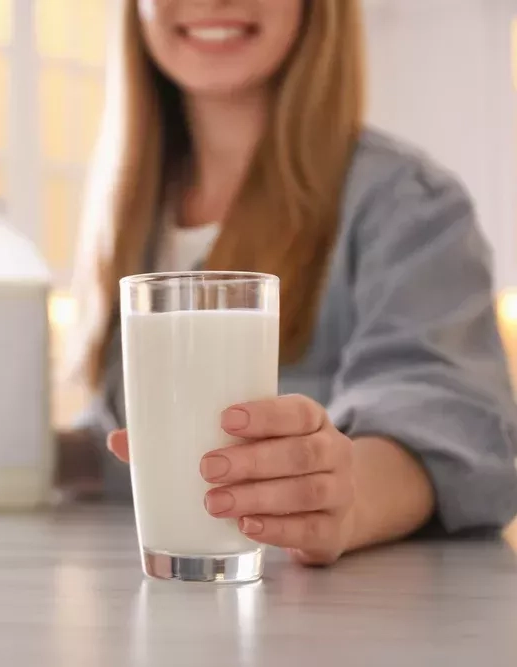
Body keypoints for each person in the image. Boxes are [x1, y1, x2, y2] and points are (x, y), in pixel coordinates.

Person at [58, 0, 517, 566]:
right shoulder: (129, 210)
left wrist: (342, 501)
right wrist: (33, 455)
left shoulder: (406, 203)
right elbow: (124, 441)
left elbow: (446, 418)